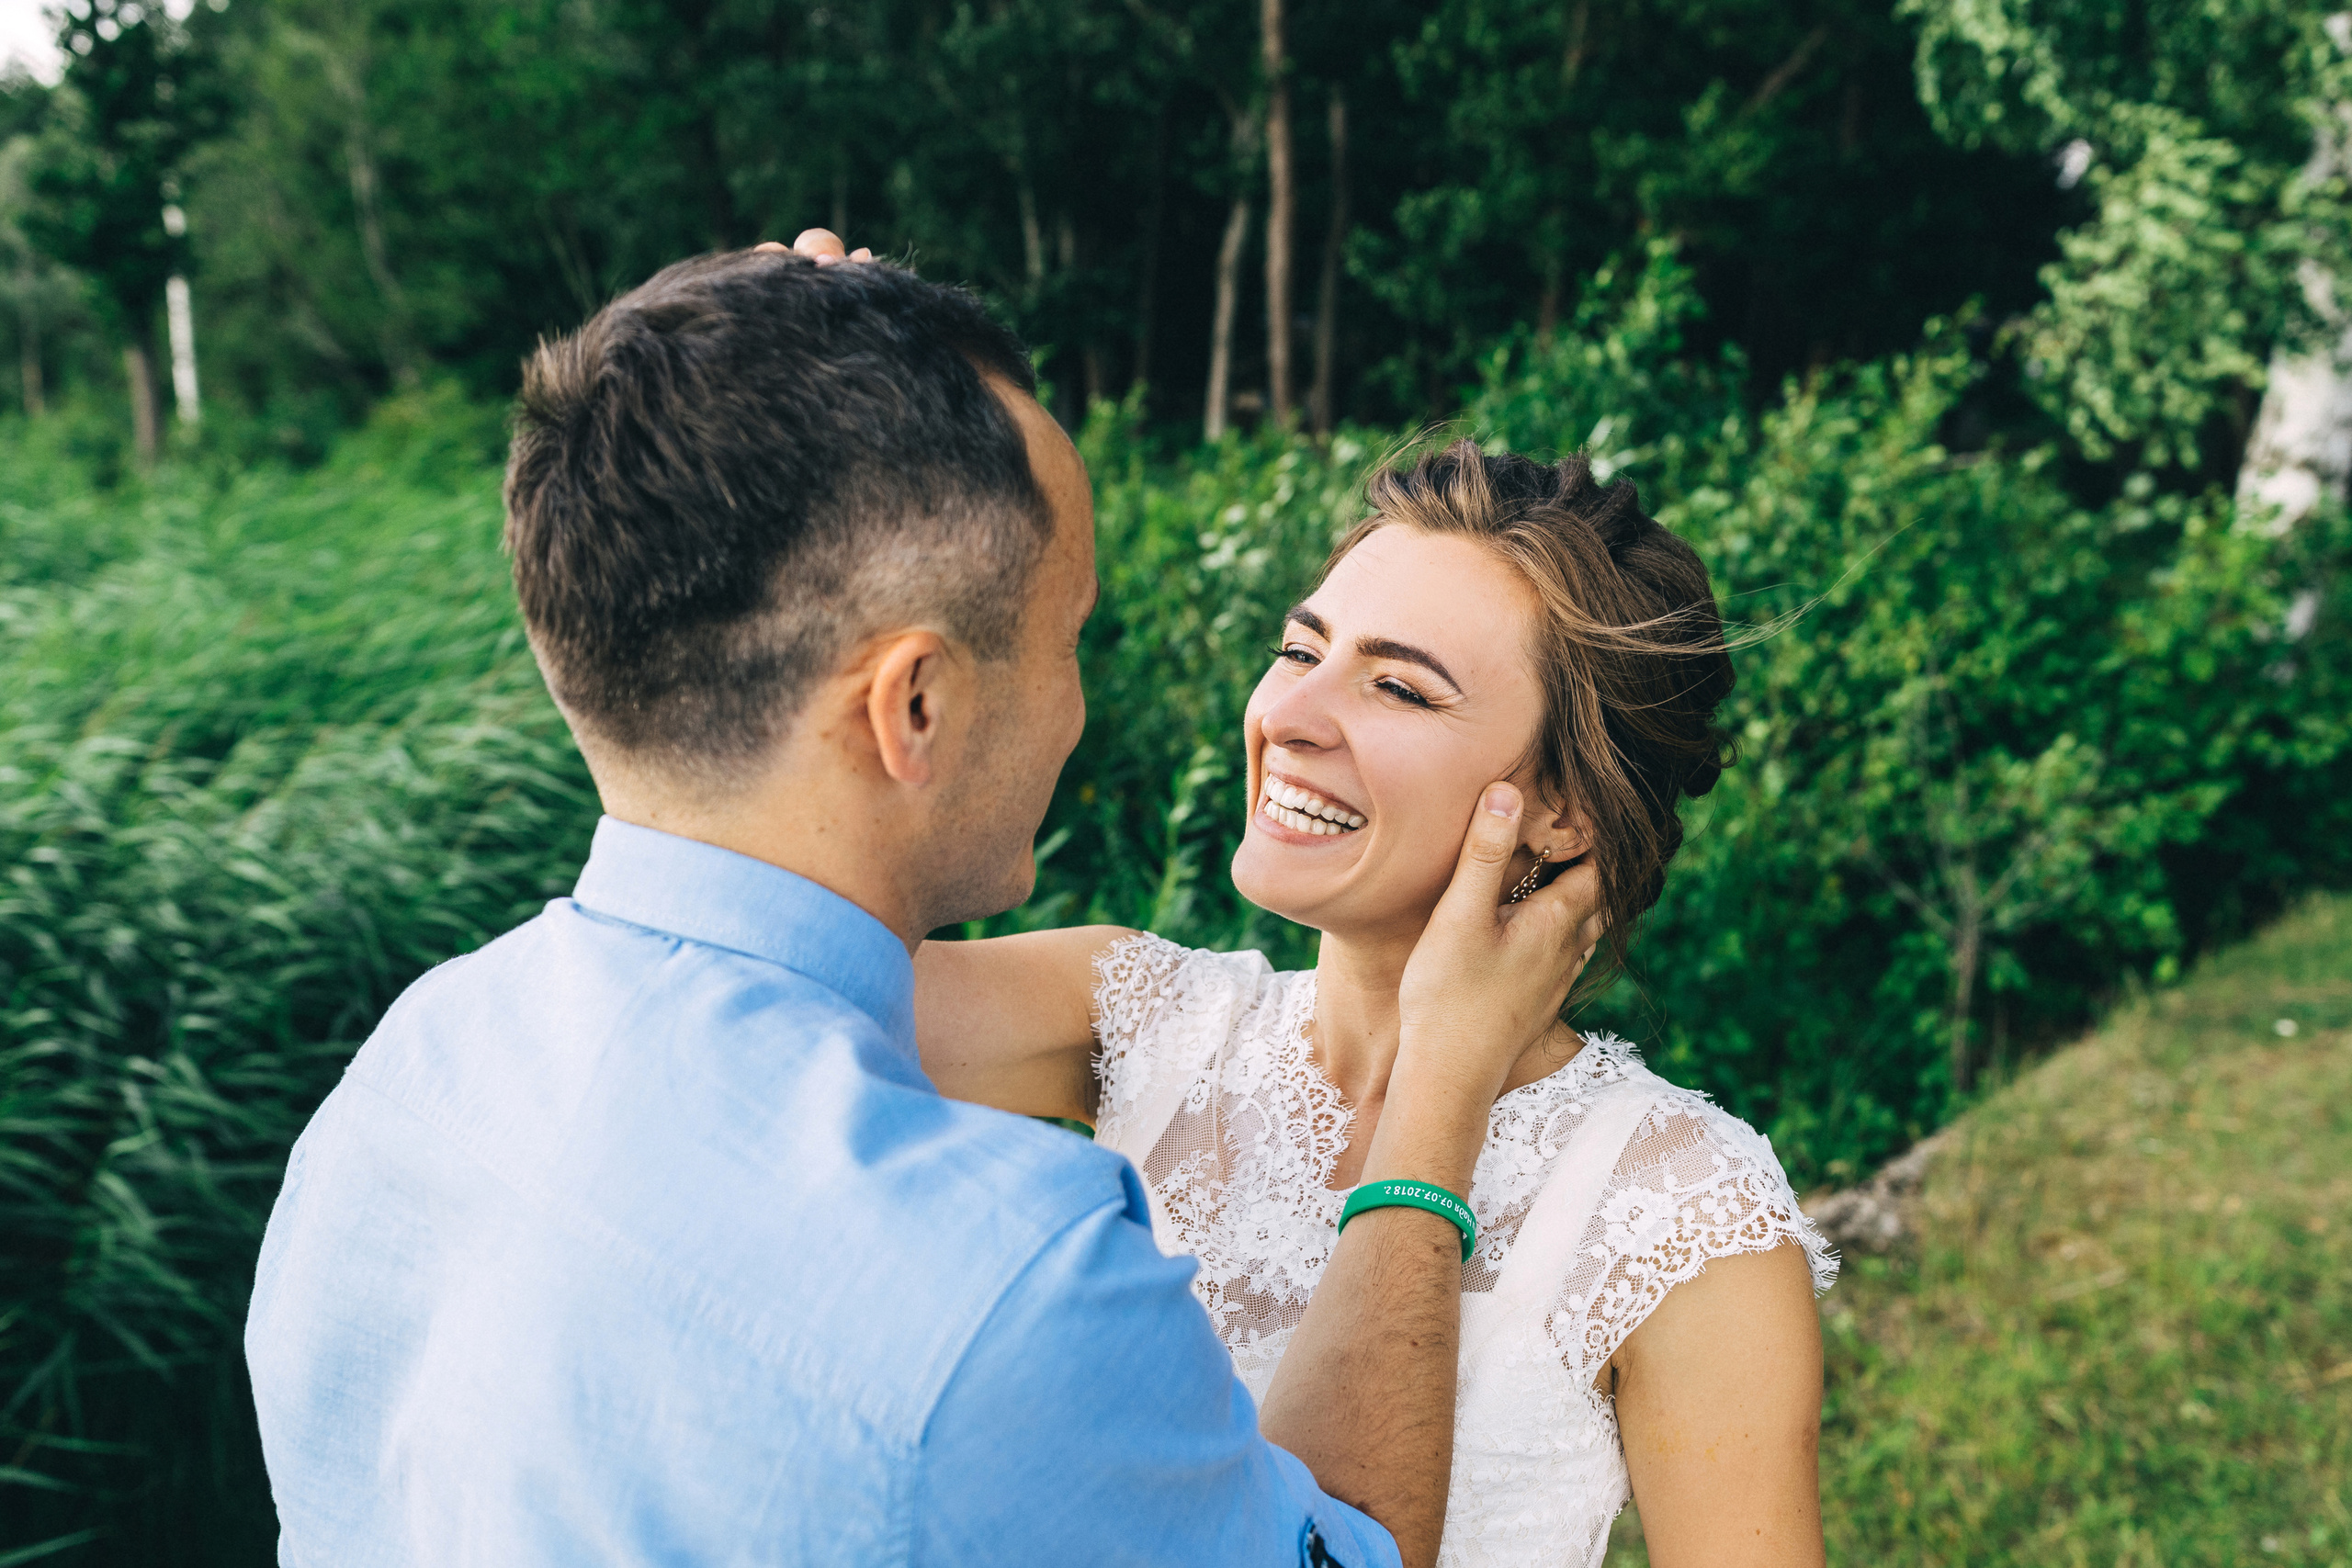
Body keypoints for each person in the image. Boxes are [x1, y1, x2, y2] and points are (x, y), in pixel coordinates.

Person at [243, 237, 1601, 1568]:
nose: (1082, 699)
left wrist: (765, 366)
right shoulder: (1007, 1283)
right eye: (1069, 636)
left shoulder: (413, 1072)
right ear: (918, 703)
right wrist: (1439, 1098)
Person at [920, 438, 1838, 1567]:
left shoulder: (1680, 1207)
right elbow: (732, 981)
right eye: (1297, 649)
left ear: (1559, 813)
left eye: (1397, 686)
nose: (1291, 714)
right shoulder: (1134, 1014)